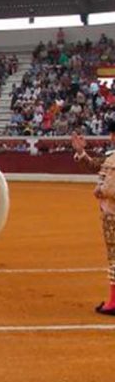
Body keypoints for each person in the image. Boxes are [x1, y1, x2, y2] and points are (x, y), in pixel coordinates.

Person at [72, 122, 115, 314]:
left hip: (113, 213)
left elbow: (110, 188)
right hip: (110, 212)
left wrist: (101, 190)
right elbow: (94, 165)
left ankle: (113, 303)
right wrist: (81, 152)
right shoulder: (111, 158)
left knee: (114, 257)